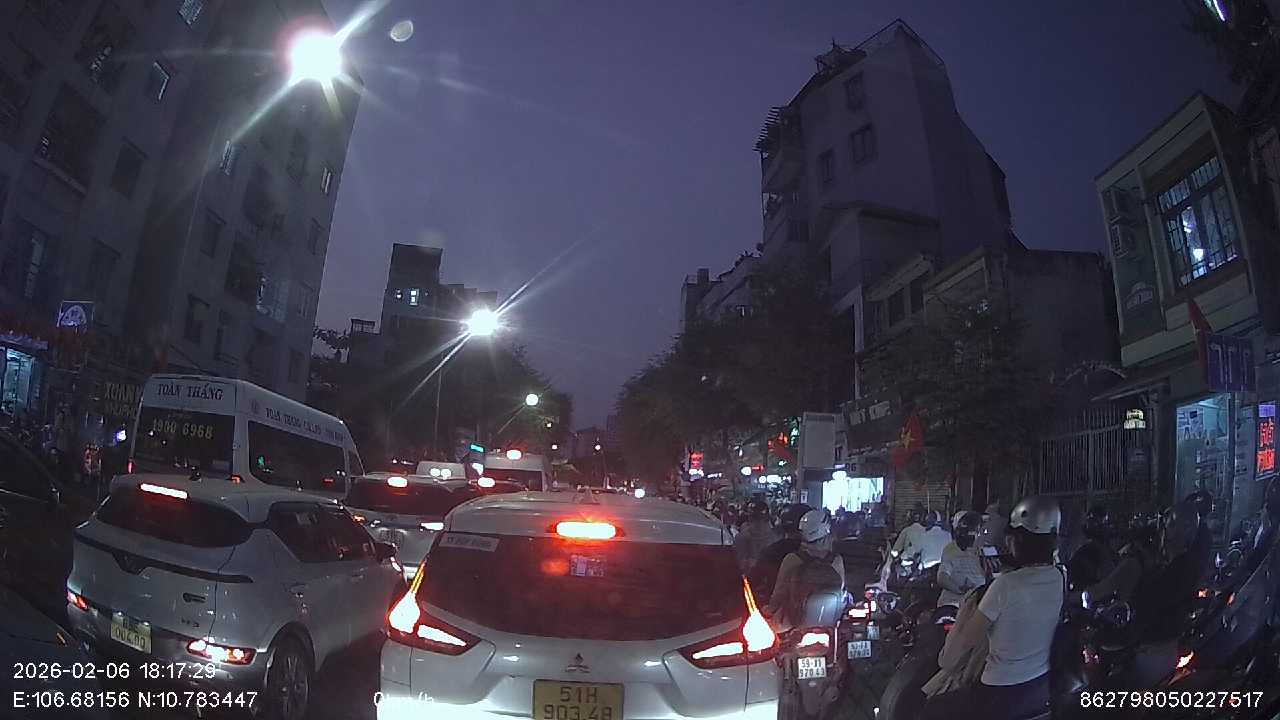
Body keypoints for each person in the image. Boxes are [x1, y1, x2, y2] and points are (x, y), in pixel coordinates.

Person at [922, 496, 1065, 720]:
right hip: (1040, 687)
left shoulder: (1004, 585)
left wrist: (982, 593)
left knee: (933, 709)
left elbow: (964, 644)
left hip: (999, 694)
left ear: (1019, 540)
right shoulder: (1060, 577)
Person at [1123, 500, 1204, 687]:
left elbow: (1153, 602)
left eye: (1172, 523)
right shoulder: (1172, 562)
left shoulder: (1181, 569)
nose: (1165, 527)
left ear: (1185, 530)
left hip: (1157, 649)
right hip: (1155, 646)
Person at [766, 509, 845, 631]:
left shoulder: (792, 559)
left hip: (793, 624)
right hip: (830, 624)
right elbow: (841, 593)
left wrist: (768, 611)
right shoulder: (836, 560)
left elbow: (779, 595)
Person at [938, 511, 987, 609]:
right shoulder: (951, 549)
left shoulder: (986, 551)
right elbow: (942, 577)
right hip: (952, 603)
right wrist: (960, 590)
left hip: (978, 604)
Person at [1067, 504, 1119, 591]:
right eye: (1091, 520)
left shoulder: (1105, 544)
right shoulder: (1082, 543)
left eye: (1099, 522)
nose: (1094, 524)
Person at [734, 500, 778, 572]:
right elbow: (740, 565)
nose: (758, 523)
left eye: (761, 519)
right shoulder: (742, 537)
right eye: (755, 519)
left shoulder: (775, 538)